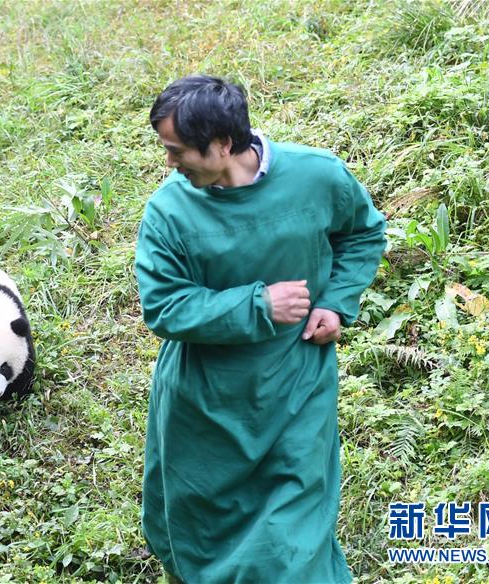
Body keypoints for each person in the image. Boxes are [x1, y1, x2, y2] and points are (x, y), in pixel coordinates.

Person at [134, 75, 387, 583]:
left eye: (177, 150)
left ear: (223, 143)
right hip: (204, 401)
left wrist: (335, 304)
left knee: (293, 534)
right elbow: (163, 306)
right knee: (201, 529)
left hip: (296, 385)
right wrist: (259, 305)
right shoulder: (169, 211)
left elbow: (363, 233)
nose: (169, 163)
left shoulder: (317, 177)